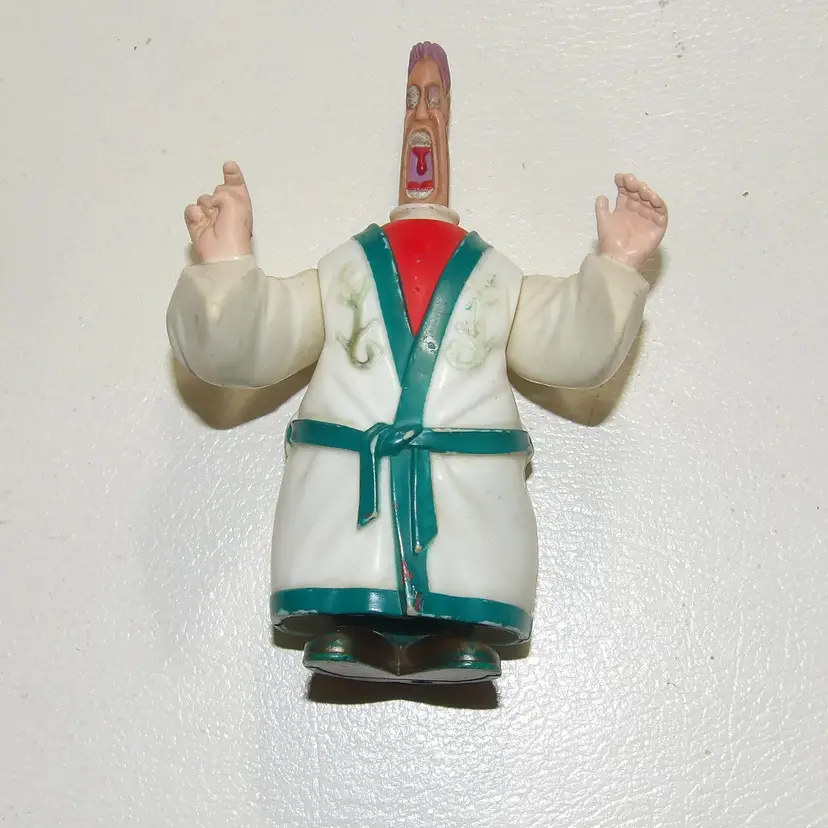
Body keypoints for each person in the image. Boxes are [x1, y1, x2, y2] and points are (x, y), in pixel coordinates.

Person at [166, 42, 668, 683]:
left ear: (449, 119)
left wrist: (617, 266)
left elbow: (569, 347)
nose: (422, 117)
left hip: (464, 484)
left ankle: (450, 636)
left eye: (434, 100)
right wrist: (227, 264)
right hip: (350, 489)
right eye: (412, 101)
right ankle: (355, 628)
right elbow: (261, 341)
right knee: (355, 562)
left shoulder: (496, 276)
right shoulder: (343, 268)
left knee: (461, 565)